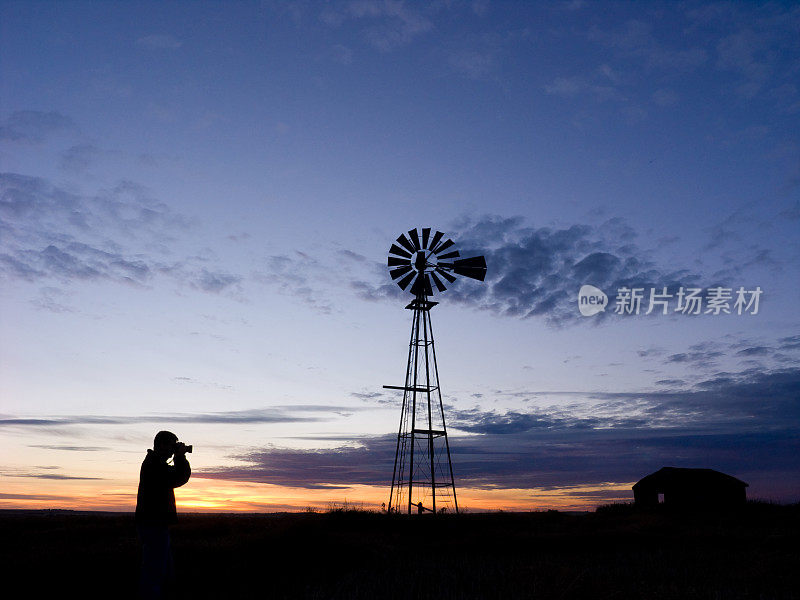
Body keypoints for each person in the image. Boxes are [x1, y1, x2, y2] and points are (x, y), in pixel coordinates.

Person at [135, 430, 191, 599]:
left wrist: (178, 456)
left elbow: (175, 476)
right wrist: (180, 457)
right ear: (161, 445)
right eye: (171, 446)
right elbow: (179, 477)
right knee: (154, 570)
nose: (172, 450)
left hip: (154, 523)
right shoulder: (154, 465)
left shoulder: (154, 463)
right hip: (154, 524)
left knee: (162, 570)